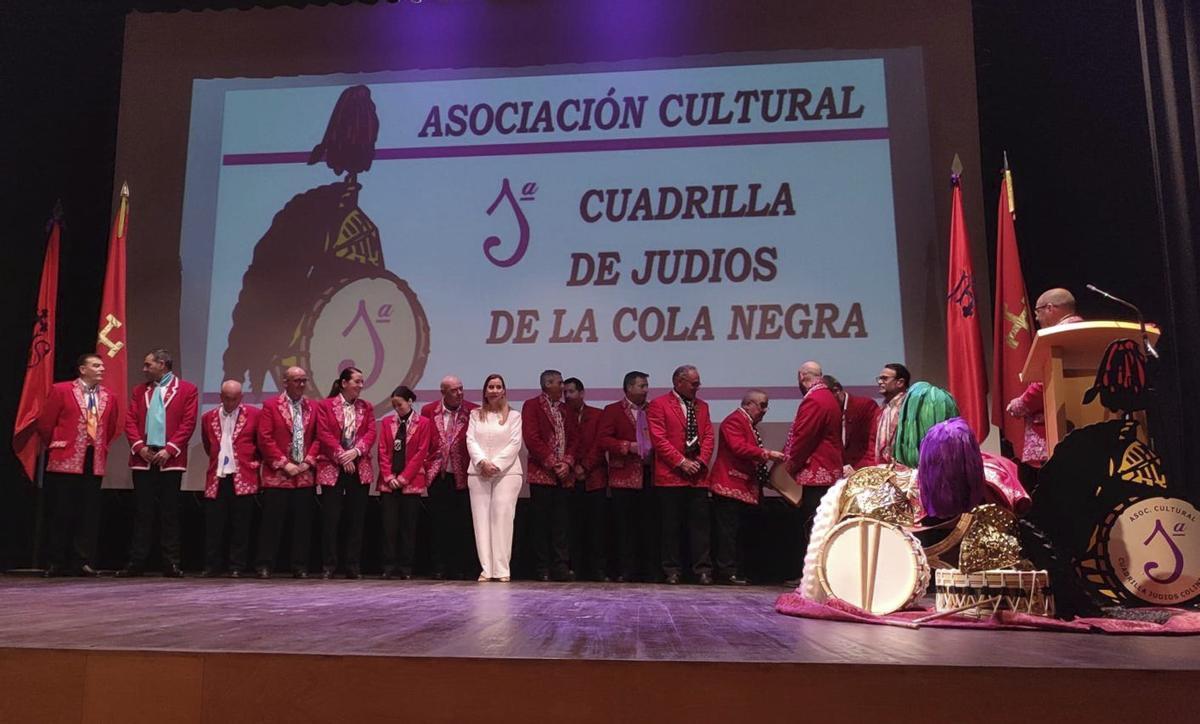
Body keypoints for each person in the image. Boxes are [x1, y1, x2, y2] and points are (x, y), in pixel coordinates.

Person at [36, 353, 120, 577]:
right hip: (66, 458)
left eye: (102, 365)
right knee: (61, 511)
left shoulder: (108, 396)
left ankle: (81, 560)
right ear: (82, 369)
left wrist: (98, 445)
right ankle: (55, 560)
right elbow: (46, 422)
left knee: (87, 512)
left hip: (93, 460)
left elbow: (111, 427)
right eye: (96, 365)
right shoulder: (62, 390)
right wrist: (57, 444)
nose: (101, 369)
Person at [120, 349, 199, 577]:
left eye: (148, 365)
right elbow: (130, 421)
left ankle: (171, 562)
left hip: (169, 459)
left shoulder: (186, 390)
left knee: (169, 512)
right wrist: (139, 447)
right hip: (143, 457)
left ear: (162, 365)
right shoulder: (139, 391)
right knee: (143, 512)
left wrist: (170, 449)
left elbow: (187, 423)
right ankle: (136, 562)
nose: (144, 369)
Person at [709, 389, 785, 585]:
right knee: (728, 532)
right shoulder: (734, 421)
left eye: (767, 405)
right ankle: (727, 572)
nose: (765, 410)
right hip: (729, 483)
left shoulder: (748, 424)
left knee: (741, 531)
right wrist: (767, 454)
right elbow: (739, 448)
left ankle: (739, 570)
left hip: (744, 485)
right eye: (762, 405)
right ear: (748, 404)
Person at [647, 364, 714, 585]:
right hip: (671, 476)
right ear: (678, 382)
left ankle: (702, 570)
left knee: (700, 528)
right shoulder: (658, 405)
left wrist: (701, 461)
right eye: (694, 383)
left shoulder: (702, 406)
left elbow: (709, 436)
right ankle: (672, 570)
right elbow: (659, 439)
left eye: (698, 383)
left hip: (698, 476)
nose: (698, 387)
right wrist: (682, 462)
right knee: (671, 527)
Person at [1006, 288, 1085, 468]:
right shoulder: (1084, 331)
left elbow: (1045, 383)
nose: (1036, 317)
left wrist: (1020, 404)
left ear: (1050, 308)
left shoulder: (1057, 336)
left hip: (1060, 425)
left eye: (1038, 311)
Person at [255, 366, 320, 579]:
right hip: (278, 475)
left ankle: (299, 565)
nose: (301, 384)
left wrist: (307, 462)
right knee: (272, 523)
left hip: (304, 475)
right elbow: (265, 438)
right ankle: (265, 564)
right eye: (296, 380)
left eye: (304, 380)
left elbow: (319, 438)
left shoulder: (313, 407)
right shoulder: (271, 406)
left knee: (302, 523)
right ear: (285, 382)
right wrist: (284, 464)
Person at [314, 366, 376, 579]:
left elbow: (370, 433)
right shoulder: (325, 406)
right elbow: (323, 433)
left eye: (361, 381)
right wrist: (342, 455)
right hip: (333, 466)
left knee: (356, 519)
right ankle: (329, 564)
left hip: (359, 467)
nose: (360, 385)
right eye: (357, 381)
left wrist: (355, 452)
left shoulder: (366, 407)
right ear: (343, 383)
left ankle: (352, 565)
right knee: (332, 518)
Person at [597, 370, 656, 583]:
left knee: (648, 525)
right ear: (629, 388)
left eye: (647, 386)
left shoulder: (653, 409)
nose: (646, 390)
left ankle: (648, 571)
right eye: (642, 386)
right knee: (625, 527)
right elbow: (603, 439)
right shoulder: (612, 410)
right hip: (623, 475)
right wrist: (627, 446)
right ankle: (626, 570)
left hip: (649, 474)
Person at [783, 366, 842, 574]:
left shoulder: (814, 399)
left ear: (801, 377)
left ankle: (815, 575)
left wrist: (791, 465)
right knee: (822, 525)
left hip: (817, 471)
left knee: (815, 527)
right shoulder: (827, 396)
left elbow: (803, 437)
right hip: (828, 469)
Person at [199, 380, 261, 577]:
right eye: (226, 398)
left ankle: (237, 566)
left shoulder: (254, 414)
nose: (230, 402)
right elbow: (208, 445)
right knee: (214, 525)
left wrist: (253, 463)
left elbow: (260, 443)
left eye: (234, 399)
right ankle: (212, 565)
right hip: (218, 476)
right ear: (220, 397)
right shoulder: (208, 417)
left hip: (242, 475)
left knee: (241, 525)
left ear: (241, 398)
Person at [522, 369, 579, 582]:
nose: (563, 387)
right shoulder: (532, 405)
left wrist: (567, 462)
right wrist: (554, 463)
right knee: (541, 523)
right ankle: (542, 567)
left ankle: (561, 566)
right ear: (547, 384)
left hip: (564, 476)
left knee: (561, 524)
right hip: (542, 474)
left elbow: (575, 439)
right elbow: (532, 438)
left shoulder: (566, 409)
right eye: (559, 382)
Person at [465, 374, 524, 582]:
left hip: (507, 473)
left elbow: (515, 444)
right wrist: (482, 462)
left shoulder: (514, 416)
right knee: (481, 521)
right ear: (485, 391)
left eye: (499, 386)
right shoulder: (475, 414)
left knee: (502, 518)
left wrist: (496, 465)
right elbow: (470, 440)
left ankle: (501, 570)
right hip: (478, 473)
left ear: (504, 391)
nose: (495, 390)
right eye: (491, 386)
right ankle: (486, 569)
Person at [420, 375, 478, 579]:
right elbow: (424, 440)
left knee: (462, 524)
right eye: (454, 390)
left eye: (461, 389)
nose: (459, 393)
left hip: (463, 475)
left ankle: (461, 567)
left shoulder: (472, 411)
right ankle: (439, 567)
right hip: (439, 474)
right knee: (439, 524)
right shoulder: (429, 410)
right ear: (443, 392)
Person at [378, 385, 433, 580]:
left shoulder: (424, 423)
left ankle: (406, 566)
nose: (396, 409)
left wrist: (403, 478)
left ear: (410, 402)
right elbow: (383, 451)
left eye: (399, 404)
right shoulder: (386, 423)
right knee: (388, 527)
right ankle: (388, 565)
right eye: (394, 405)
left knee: (408, 527)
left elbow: (421, 452)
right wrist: (389, 477)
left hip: (411, 481)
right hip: (389, 482)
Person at [564, 376, 608, 582]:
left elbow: (600, 445)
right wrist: (572, 467)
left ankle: (598, 570)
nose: (567, 395)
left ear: (582, 393)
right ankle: (575, 569)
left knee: (597, 528)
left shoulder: (598, 415)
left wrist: (585, 466)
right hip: (569, 478)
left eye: (571, 391)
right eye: (565, 392)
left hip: (595, 477)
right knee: (572, 527)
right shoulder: (561, 415)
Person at [823, 375, 880, 473]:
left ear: (836, 390)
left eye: (825, 397)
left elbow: (873, 443)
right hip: (838, 472)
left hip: (863, 472)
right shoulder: (825, 411)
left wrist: (860, 471)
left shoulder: (865, 406)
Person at [873, 363, 911, 465]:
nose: (880, 382)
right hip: (884, 469)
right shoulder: (883, 409)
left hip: (905, 468)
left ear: (900, 382)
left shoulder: (909, 405)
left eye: (885, 378)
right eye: (879, 379)